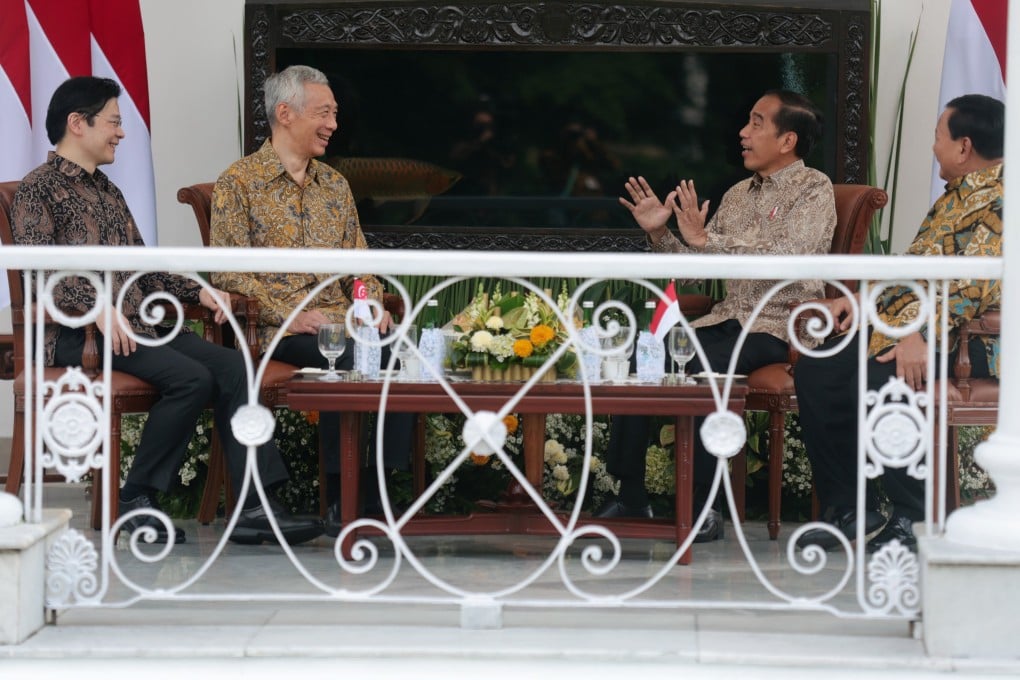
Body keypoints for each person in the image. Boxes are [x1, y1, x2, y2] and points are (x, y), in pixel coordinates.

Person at [12, 76, 323, 546]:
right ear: (78, 123)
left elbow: (145, 264)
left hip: (138, 327)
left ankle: (254, 506)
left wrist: (198, 292)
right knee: (191, 379)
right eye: (114, 122)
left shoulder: (108, 191)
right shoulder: (38, 190)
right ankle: (136, 499)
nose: (121, 133)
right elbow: (37, 274)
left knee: (237, 367)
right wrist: (95, 307)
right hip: (79, 335)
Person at [598, 90, 837, 543]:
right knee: (642, 353)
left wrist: (711, 243)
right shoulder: (737, 194)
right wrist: (662, 234)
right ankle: (630, 492)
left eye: (756, 123)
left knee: (704, 364)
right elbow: (702, 262)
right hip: (725, 320)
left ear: (788, 140)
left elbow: (793, 255)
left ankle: (706, 505)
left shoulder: (814, 188)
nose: (743, 133)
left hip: (775, 325)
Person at [209, 65, 414, 538]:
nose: (333, 125)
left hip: (343, 323)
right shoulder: (238, 183)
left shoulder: (335, 186)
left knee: (401, 352)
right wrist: (292, 314)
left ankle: (380, 489)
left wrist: (370, 302)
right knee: (344, 356)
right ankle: (346, 499)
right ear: (285, 113)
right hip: (277, 331)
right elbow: (227, 270)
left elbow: (360, 264)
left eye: (335, 114)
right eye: (324, 113)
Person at [795, 94, 1003, 553]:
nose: (934, 148)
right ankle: (849, 507)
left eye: (937, 137)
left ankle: (913, 514)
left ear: (963, 147)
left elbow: (970, 288)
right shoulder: (955, 197)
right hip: (908, 326)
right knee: (819, 367)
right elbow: (912, 270)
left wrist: (920, 335)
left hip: (974, 340)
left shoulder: (1004, 199)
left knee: (884, 376)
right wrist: (859, 300)